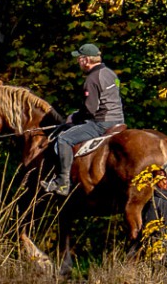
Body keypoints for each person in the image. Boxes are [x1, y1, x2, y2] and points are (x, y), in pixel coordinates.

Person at [41, 43, 125, 196]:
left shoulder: (92, 79)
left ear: (86, 60)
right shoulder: (110, 73)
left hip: (101, 122)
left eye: (79, 58)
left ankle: (62, 182)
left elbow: (90, 110)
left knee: (64, 139)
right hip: (118, 120)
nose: (78, 62)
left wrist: (74, 117)